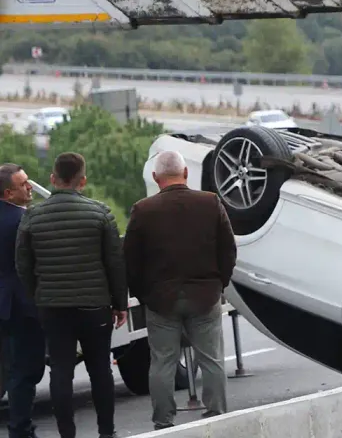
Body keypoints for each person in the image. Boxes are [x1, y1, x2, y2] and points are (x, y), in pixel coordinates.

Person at [123, 150, 237, 431]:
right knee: (211, 359)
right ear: (186, 174)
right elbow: (228, 249)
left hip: (161, 299)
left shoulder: (143, 210)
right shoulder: (210, 202)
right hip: (205, 294)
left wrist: (143, 294)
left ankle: (164, 421)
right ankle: (216, 413)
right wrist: (219, 282)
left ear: (155, 177)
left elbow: (130, 260)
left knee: (163, 362)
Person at [15, 152, 127, 438]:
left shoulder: (32, 218)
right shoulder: (100, 213)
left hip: (53, 308)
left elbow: (23, 266)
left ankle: (67, 434)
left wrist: (38, 295)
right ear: (83, 181)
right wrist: (119, 303)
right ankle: (106, 431)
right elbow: (114, 263)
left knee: (61, 372)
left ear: (52, 179)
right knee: (100, 370)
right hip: (95, 307)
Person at [0, 164, 45, 438]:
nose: (30, 187)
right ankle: (20, 430)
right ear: (8, 193)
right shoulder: (23, 221)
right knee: (25, 370)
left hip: (4, 304)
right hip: (22, 305)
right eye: (24, 184)